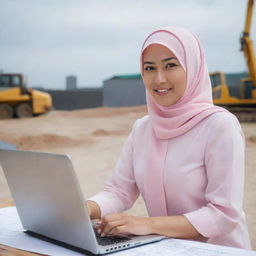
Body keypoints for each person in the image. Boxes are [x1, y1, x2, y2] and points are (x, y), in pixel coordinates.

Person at [86, 26, 251, 249]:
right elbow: (119, 191)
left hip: (217, 250)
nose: (159, 79)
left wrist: (148, 225)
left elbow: (224, 214)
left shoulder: (220, 126)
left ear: (192, 67)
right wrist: (85, 208)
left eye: (171, 65)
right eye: (149, 68)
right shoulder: (143, 128)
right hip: (165, 248)